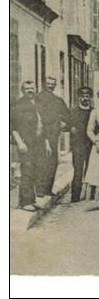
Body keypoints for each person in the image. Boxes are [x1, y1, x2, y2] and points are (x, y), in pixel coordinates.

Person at [10, 80, 46, 211]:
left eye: (32, 88)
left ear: (35, 89)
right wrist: (20, 142)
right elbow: (13, 127)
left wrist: (45, 142)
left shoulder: (38, 103)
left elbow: (42, 123)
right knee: (27, 171)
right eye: (27, 89)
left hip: (38, 142)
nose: (30, 91)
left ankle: (32, 199)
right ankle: (24, 202)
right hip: (26, 143)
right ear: (22, 90)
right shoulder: (18, 105)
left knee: (36, 171)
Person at [37, 76, 70, 197]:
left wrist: (63, 122)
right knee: (41, 161)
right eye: (48, 83)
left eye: (53, 84)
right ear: (44, 84)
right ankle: (40, 189)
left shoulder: (58, 100)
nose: (51, 86)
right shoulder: (37, 99)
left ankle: (48, 189)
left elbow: (67, 115)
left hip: (53, 135)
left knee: (52, 162)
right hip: (39, 135)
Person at [67, 86, 94, 202]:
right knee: (78, 170)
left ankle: (91, 195)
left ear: (90, 98)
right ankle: (75, 196)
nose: (85, 99)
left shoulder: (93, 111)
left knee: (91, 169)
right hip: (78, 145)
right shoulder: (73, 111)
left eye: (87, 96)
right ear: (79, 97)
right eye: (82, 96)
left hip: (91, 144)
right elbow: (67, 125)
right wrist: (71, 128)